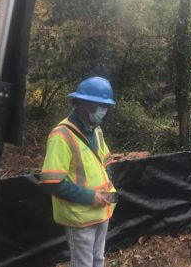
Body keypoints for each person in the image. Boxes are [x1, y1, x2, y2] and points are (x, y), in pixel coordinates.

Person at [39, 76, 117, 267]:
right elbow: (51, 182)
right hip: (80, 216)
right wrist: (89, 196)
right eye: (98, 106)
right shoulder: (61, 135)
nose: (102, 111)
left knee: (98, 260)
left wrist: (108, 187)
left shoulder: (96, 130)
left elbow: (105, 162)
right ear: (83, 105)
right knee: (83, 264)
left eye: (105, 106)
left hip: (102, 210)